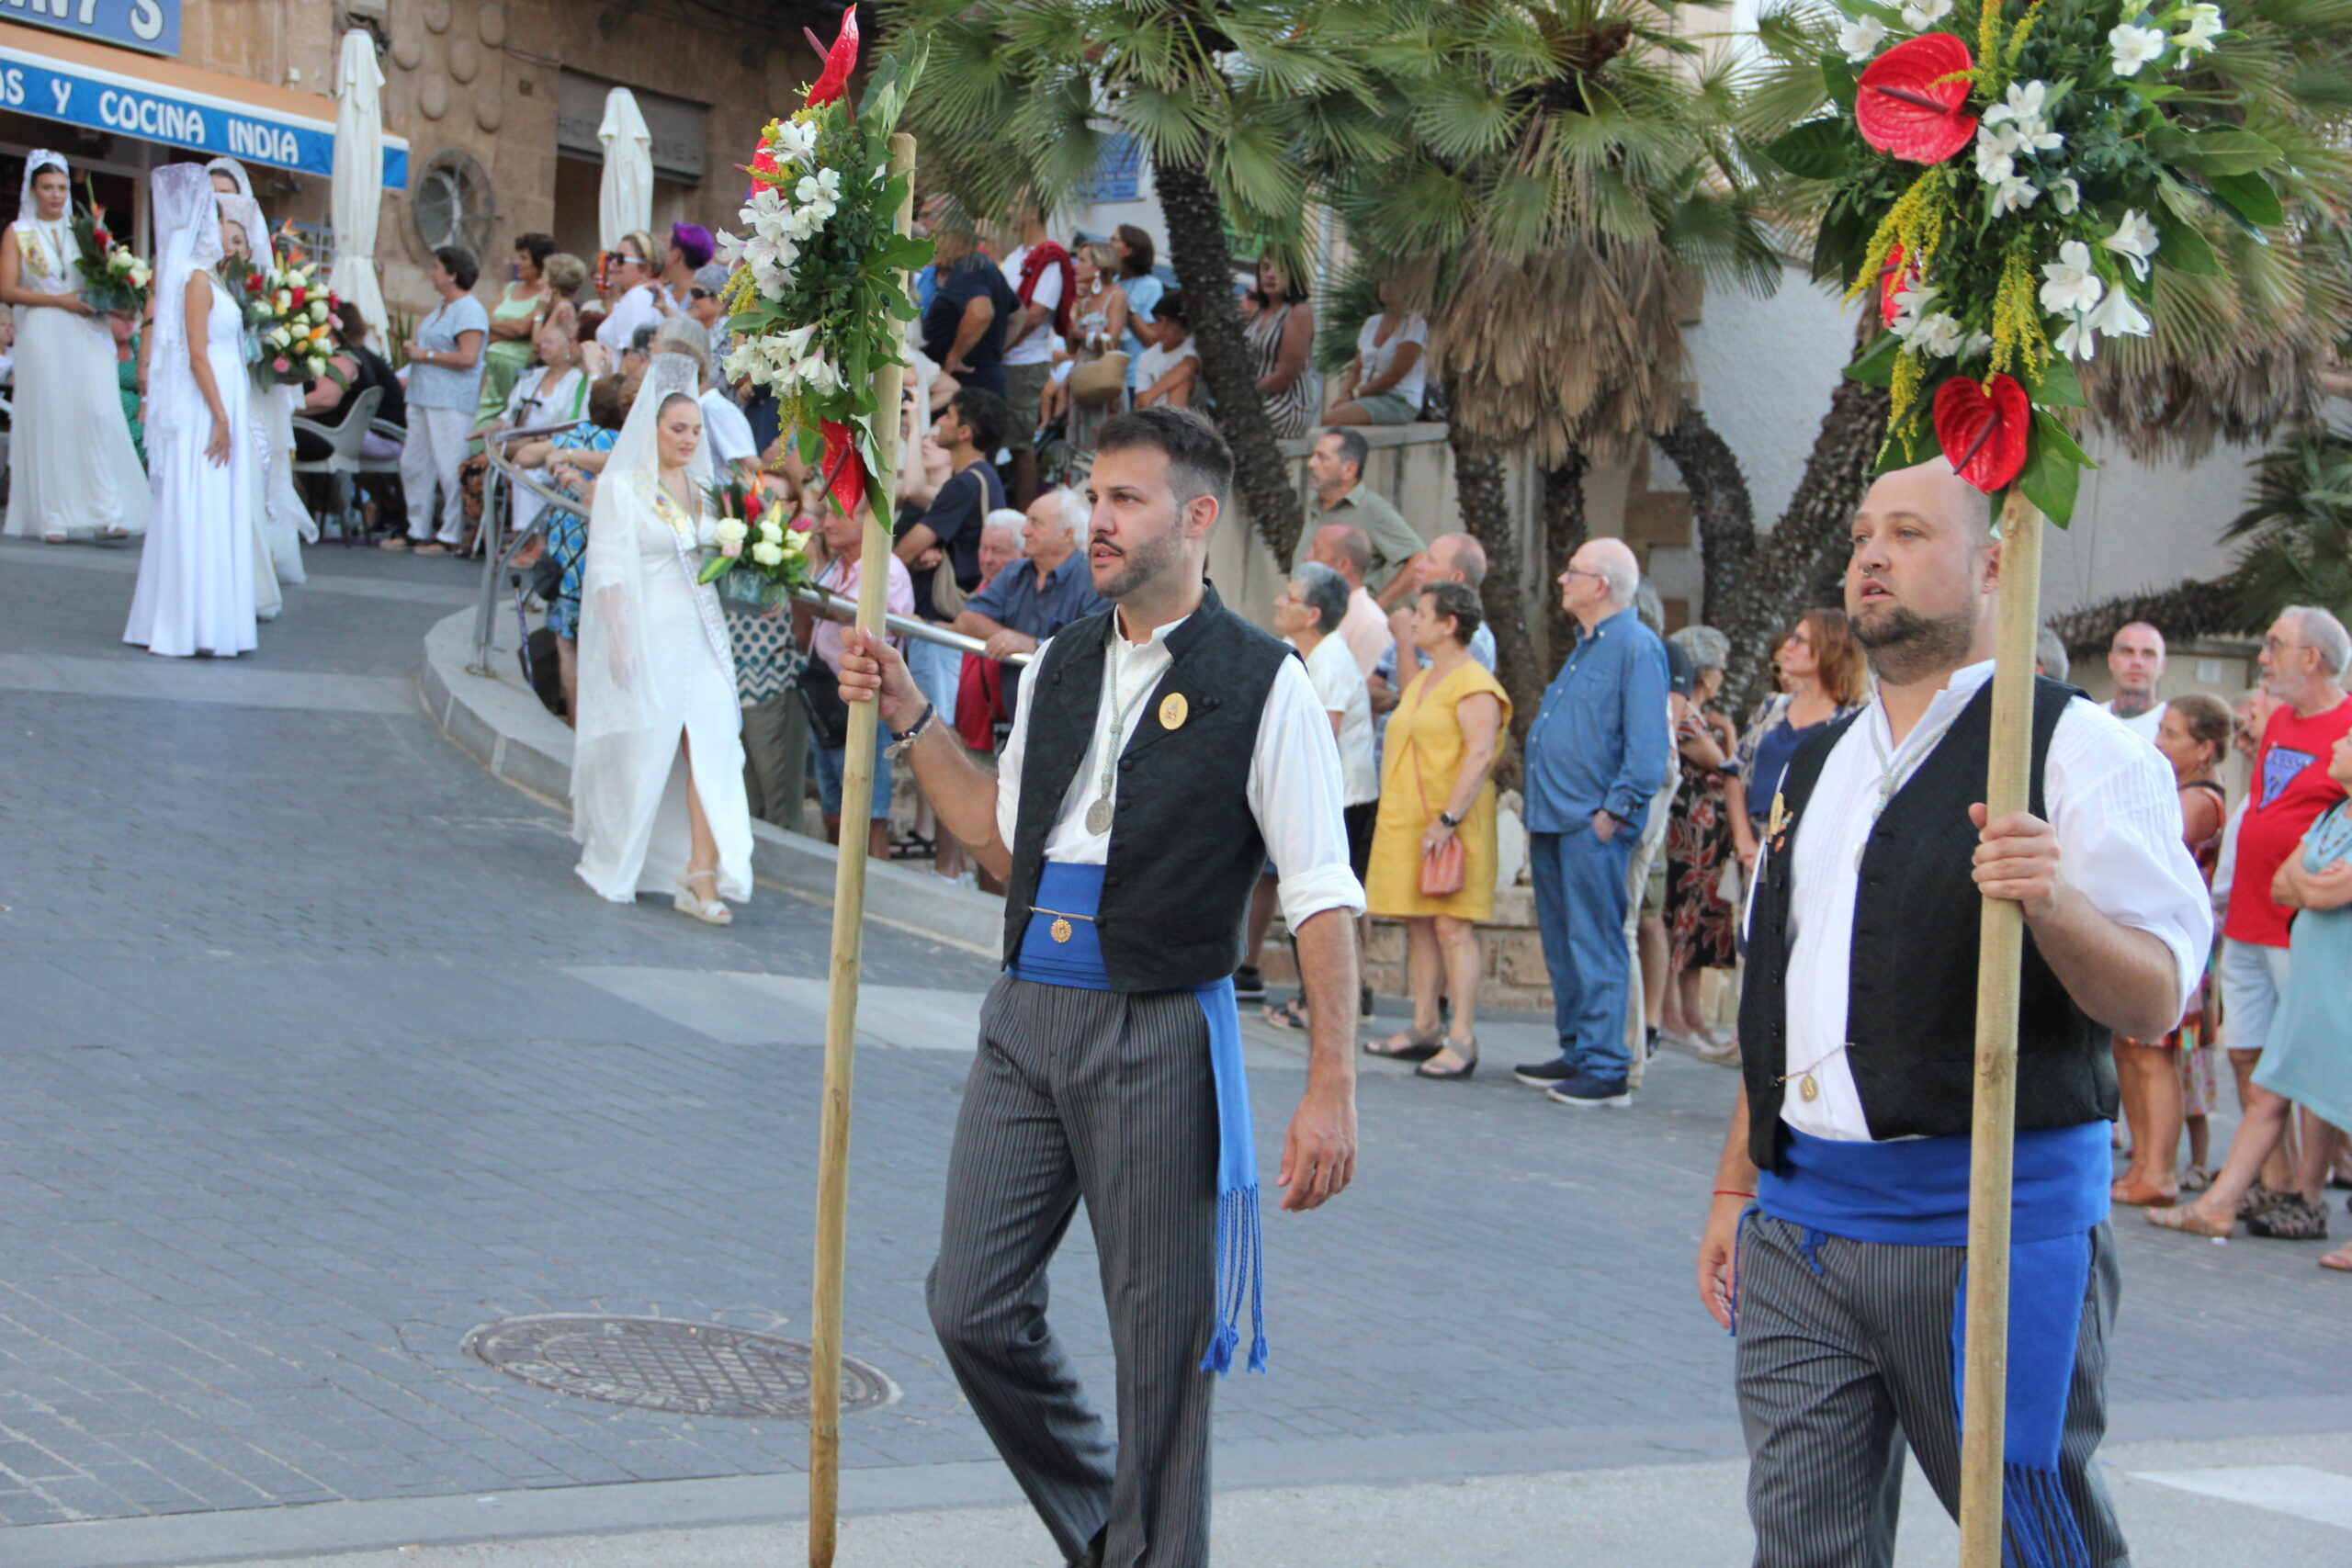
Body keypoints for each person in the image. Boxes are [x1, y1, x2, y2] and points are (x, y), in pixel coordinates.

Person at [833, 405, 1362, 1568]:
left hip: (1157, 1025)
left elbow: (1320, 891)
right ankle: (1114, 1535)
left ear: (1198, 517)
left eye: (1126, 499)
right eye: (1095, 495)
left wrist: (1331, 1084)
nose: (1098, 519)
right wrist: (914, 712)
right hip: (1026, 1013)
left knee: (1159, 1349)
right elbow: (997, 840)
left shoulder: (1264, 683)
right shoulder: (1063, 661)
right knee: (969, 1305)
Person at [1696, 458, 2209, 1568]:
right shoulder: (1815, 762)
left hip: (1983, 1228)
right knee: (1799, 1545)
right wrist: (1738, 1180)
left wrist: (2053, 902)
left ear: (1990, 567)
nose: (1871, 556)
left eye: (1910, 533)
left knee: (2032, 1536)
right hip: (1799, 1233)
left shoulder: (2078, 749)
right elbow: (1783, 992)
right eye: (1863, 534)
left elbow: (2156, 996)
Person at [2150, 606, 2352, 1242]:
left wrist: (2305, 886)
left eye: (2274, 646)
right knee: (2248, 1053)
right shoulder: (2281, 720)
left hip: (2306, 933)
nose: (2264, 658)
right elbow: (2268, 806)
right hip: (2250, 915)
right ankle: (2276, 1179)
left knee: (2308, 1066)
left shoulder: (2347, 724)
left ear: (2311, 658)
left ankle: (2305, 1191)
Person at [571, 355, 753, 923]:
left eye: (696, 430)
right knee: (644, 750)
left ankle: (701, 872)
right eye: (678, 429)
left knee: (716, 740)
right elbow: (606, 570)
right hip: (648, 632)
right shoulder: (623, 488)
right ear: (651, 429)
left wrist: (739, 548)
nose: (688, 439)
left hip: (701, 634)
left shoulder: (704, 487)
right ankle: (629, 853)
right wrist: (620, 641)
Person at [1511, 539, 1669, 1107]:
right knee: (1562, 941)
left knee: (1594, 939)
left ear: (1600, 585)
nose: (1561, 578)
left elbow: (1648, 748)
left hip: (1590, 824)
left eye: (1572, 571)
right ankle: (1579, 1048)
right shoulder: (1589, 645)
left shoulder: (1636, 646)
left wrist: (1613, 813)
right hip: (1557, 818)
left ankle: (1605, 1066)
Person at [1360, 579, 1510, 1077]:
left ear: (1449, 625)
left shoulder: (1475, 683)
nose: (1413, 620)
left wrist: (1447, 819)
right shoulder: (1425, 681)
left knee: (1452, 927)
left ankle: (1462, 1037)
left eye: (1422, 614)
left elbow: (1481, 753)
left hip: (1452, 823)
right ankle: (1424, 1024)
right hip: (1412, 823)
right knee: (1418, 921)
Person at [123, 164, 254, 660]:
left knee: (215, 508)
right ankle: (190, 619)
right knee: (200, 504)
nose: (230, 233)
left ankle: (209, 616)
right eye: (223, 223)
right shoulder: (195, 280)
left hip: (221, 398)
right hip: (206, 406)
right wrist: (220, 416)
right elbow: (196, 354)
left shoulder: (213, 279)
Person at [2109, 692, 2233, 1206]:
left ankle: (2158, 1168)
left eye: (2172, 734)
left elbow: (2149, 842)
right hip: (2153, 934)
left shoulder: (2202, 799)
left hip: (2180, 941)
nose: (2159, 743)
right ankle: (2143, 1160)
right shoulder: (2179, 788)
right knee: (2130, 1048)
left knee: (2156, 1055)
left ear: (2205, 749)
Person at [1, 150, 148, 543]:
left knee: (98, 413)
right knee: (51, 418)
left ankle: (107, 510)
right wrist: (60, 301)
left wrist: (118, 291)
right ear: (33, 189)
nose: (55, 195)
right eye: (47, 187)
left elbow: (105, 278)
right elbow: (7, 288)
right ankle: (53, 515)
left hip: (87, 328)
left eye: (62, 188)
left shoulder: (84, 230)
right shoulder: (19, 232)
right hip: (45, 328)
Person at [1261, 561, 1379, 1034]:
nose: (1278, 602)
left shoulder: (1331, 660)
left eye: (1288, 597)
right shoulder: (1296, 650)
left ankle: (1325, 1002)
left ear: (1312, 614)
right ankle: (1327, 998)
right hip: (1323, 795)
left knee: (1325, 899)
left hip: (1344, 800)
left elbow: (1320, 739)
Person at [806, 491, 915, 859]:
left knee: (869, 813)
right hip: (828, 692)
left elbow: (870, 627)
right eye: (827, 515)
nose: (827, 524)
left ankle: (874, 896)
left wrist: (809, 592)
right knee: (834, 807)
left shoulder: (888, 568)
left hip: (866, 697)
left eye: (839, 515)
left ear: (867, 521)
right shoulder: (836, 567)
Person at [1730, 610, 1869, 876]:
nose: (1787, 648)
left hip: (1814, 852)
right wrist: (1744, 841)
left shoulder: (1854, 718)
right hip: (1756, 846)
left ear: (1829, 650)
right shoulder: (1772, 706)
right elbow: (1735, 770)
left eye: (1798, 640)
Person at [952, 484, 1104, 717]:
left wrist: (1033, 645)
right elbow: (967, 619)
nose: (1024, 531)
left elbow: (1091, 650)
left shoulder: (1095, 580)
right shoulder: (1015, 572)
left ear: (1067, 534)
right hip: (1016, 718)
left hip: (1069, 723)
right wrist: (1006, 638)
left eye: (1036, 523)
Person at [1663, 626, 1739, 1055]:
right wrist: (1728, 730)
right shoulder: (1690, 716)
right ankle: (1678, 1015)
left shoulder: (1692, 714)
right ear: (1707, 674)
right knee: (1684, 924)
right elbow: (1726, 765)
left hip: (1703, 839)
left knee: (1694, 928)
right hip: (1691, 837)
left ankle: (1691, 1016)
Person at [390, 246, 487, 556]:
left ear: (452, 274)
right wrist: (418, 350)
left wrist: (426, 354)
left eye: (436, 267)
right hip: (423, 394)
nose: (431, 273)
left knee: (449, 465)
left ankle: (450, 533)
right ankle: (416, 528)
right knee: (414, 463)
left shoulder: (469, 310)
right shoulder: (440, 308)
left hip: (451, 398)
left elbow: (469, 357)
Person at [1301, 428, 1428, 606]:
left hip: (1346, 624)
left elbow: (1419, 559)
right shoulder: (1315, 505)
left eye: (1323, 458)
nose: (1311, 463)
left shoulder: (1372, 508)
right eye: (1313, 455)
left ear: (1350, 469)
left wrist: (1375, 606)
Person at [1371, 533, 1497, 706]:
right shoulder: (1415, 622)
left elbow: (1422, 705)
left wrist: (1404, 639)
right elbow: (1371, 688)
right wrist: (1396, 699)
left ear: (1456, 578)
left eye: (1431, 561)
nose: (1418, 567)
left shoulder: (1471, 635)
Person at [998, 207, 1070, 506]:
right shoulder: (1016, 256)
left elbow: (1035, 315)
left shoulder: (1050, 258)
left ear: (1031, 212)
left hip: (1024, 363)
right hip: (1005, 360)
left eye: (1015, 204)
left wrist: (1001, 346)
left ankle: (1022, 516)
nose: (1009, 210)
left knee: (1019, 445)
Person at [921, 212, 1017, 397]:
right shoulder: (983, 265)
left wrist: (953, 358)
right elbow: (1018, 315)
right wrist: (993, 351)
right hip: (982, 379)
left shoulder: (969, 267)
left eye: (937, 236)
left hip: (970, 386)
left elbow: (981, 313)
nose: (932, 243)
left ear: (959, 238)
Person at [475, 232, 556, 431]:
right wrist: (512, 329)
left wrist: (508, 328)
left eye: (523, 258)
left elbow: (523, 328)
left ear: (539, 262)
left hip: (518, 368)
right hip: (490, 366)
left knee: (507, 423)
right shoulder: (508, 288)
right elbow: (486, 323)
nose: (516, 262)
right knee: (480, 422)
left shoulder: (547, 294)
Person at [1327, 273, 1428, 426]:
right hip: (1366, 398)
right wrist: (1344, 394)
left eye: (1394, 281)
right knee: (1333, 416)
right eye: (1383, 281)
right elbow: (1356, 370)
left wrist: (1356, 394)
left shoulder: (1415, 324)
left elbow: (1396, 373)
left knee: (1332, 420)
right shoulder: (1372, 323)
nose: (1387, 286)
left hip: (1398, 401)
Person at [1063, 239, 1130, 459]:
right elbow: (1072, 346)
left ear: (1099, 267)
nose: (1075, 265)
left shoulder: (1116, 296)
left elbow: (1111, 338)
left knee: (1105, 444)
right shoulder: (1084, 301)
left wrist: (1079, 333)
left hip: (1103, 376)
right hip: (1083, 377)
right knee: (1079, 444)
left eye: (1082, 260)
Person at [1243, 253, 1317, 439]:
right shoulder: (1258, 312)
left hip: (1287, 403)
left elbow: (1286, 375)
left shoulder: (1299, 312)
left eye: (1280, 269)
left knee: (1234, 426)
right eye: (1265, 268)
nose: (1271, 274)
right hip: (1256, 399)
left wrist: (1245, 397)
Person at [593, 229, 664, 367]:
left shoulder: (638, 298)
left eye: (621, 259)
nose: (612, 264)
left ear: (644, 267)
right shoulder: (642, 295)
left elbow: (634, 359)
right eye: (612, 257)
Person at [1112, 222, 1163, 392]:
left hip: (1134, 377)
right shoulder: (1112, 282)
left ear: (1128, 250)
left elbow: (1151, 339)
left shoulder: (1151, 286)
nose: (1108, 244)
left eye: (1114, 239)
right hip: (1107, 375)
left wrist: (1127, 307)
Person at [1131, 288, 1200, 411]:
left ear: (1186, 328)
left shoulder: (1191, 347)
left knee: (1182, 383)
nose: (1162, 328)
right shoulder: (1147, 356)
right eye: (1159, 320)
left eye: (1171, 323)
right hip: (1155, 414)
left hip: (1190, 412)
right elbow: (1141, 399)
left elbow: (1187, 367)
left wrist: (1150, 394)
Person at [2105, 620, 2166, 742]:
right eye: (2127, 652)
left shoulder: (2173, 728)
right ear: (2111, 661)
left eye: (2148, 654)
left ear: (2162, 665)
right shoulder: (2092, 719)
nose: (2137, 662)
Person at [659, 221, 714, 311]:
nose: (659, 252)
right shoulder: (665, 292)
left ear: (676, 253)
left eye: (664, 245)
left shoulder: (703, 301)